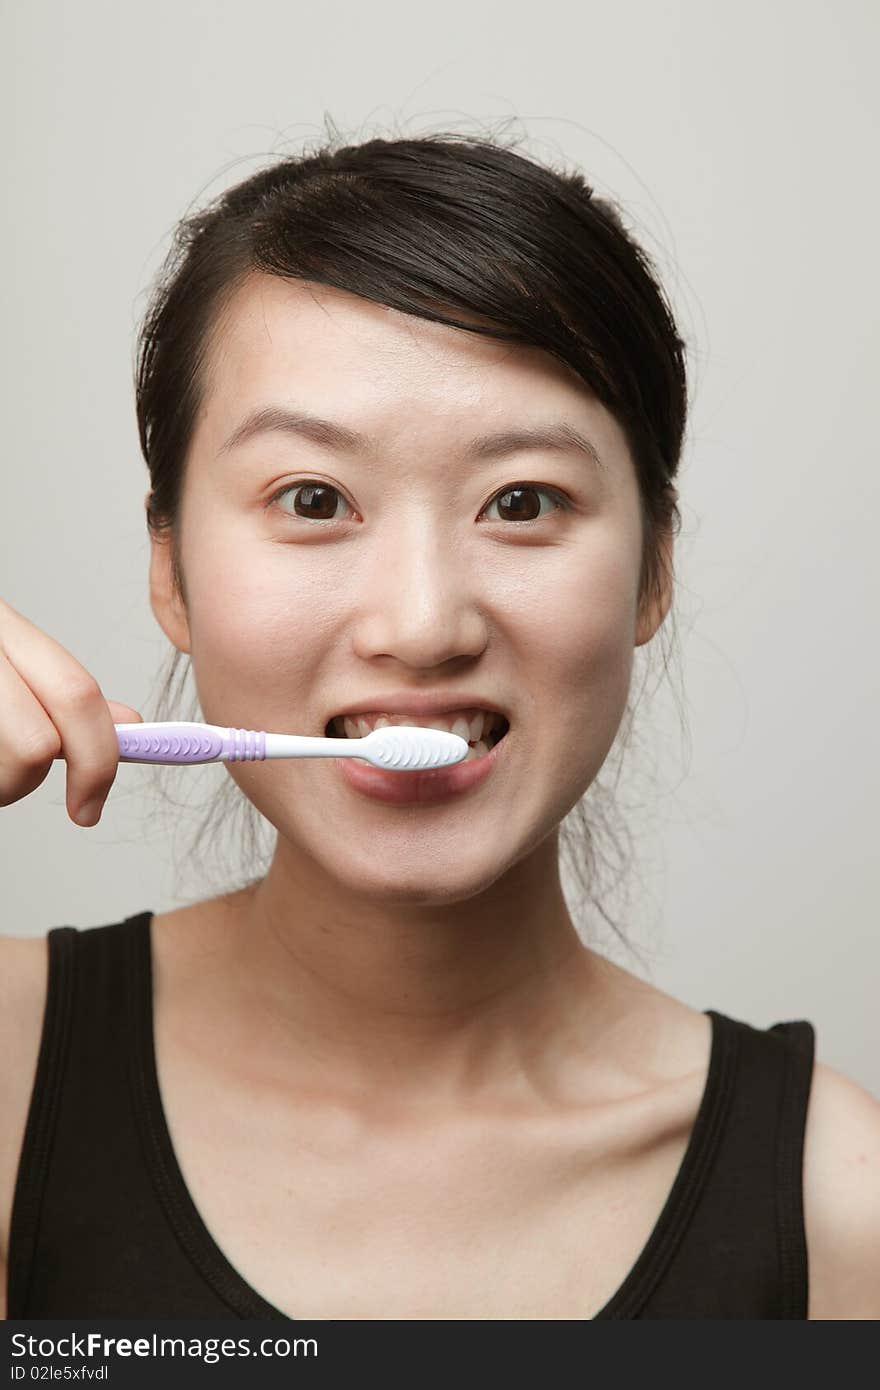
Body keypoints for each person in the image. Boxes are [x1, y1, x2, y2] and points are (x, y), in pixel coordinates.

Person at [1, 132, 878, 1321]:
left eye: (522, 501)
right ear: (171, 573)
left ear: (653, 571)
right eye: (312, 500)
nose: (420, 625)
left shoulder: (844, 1211)